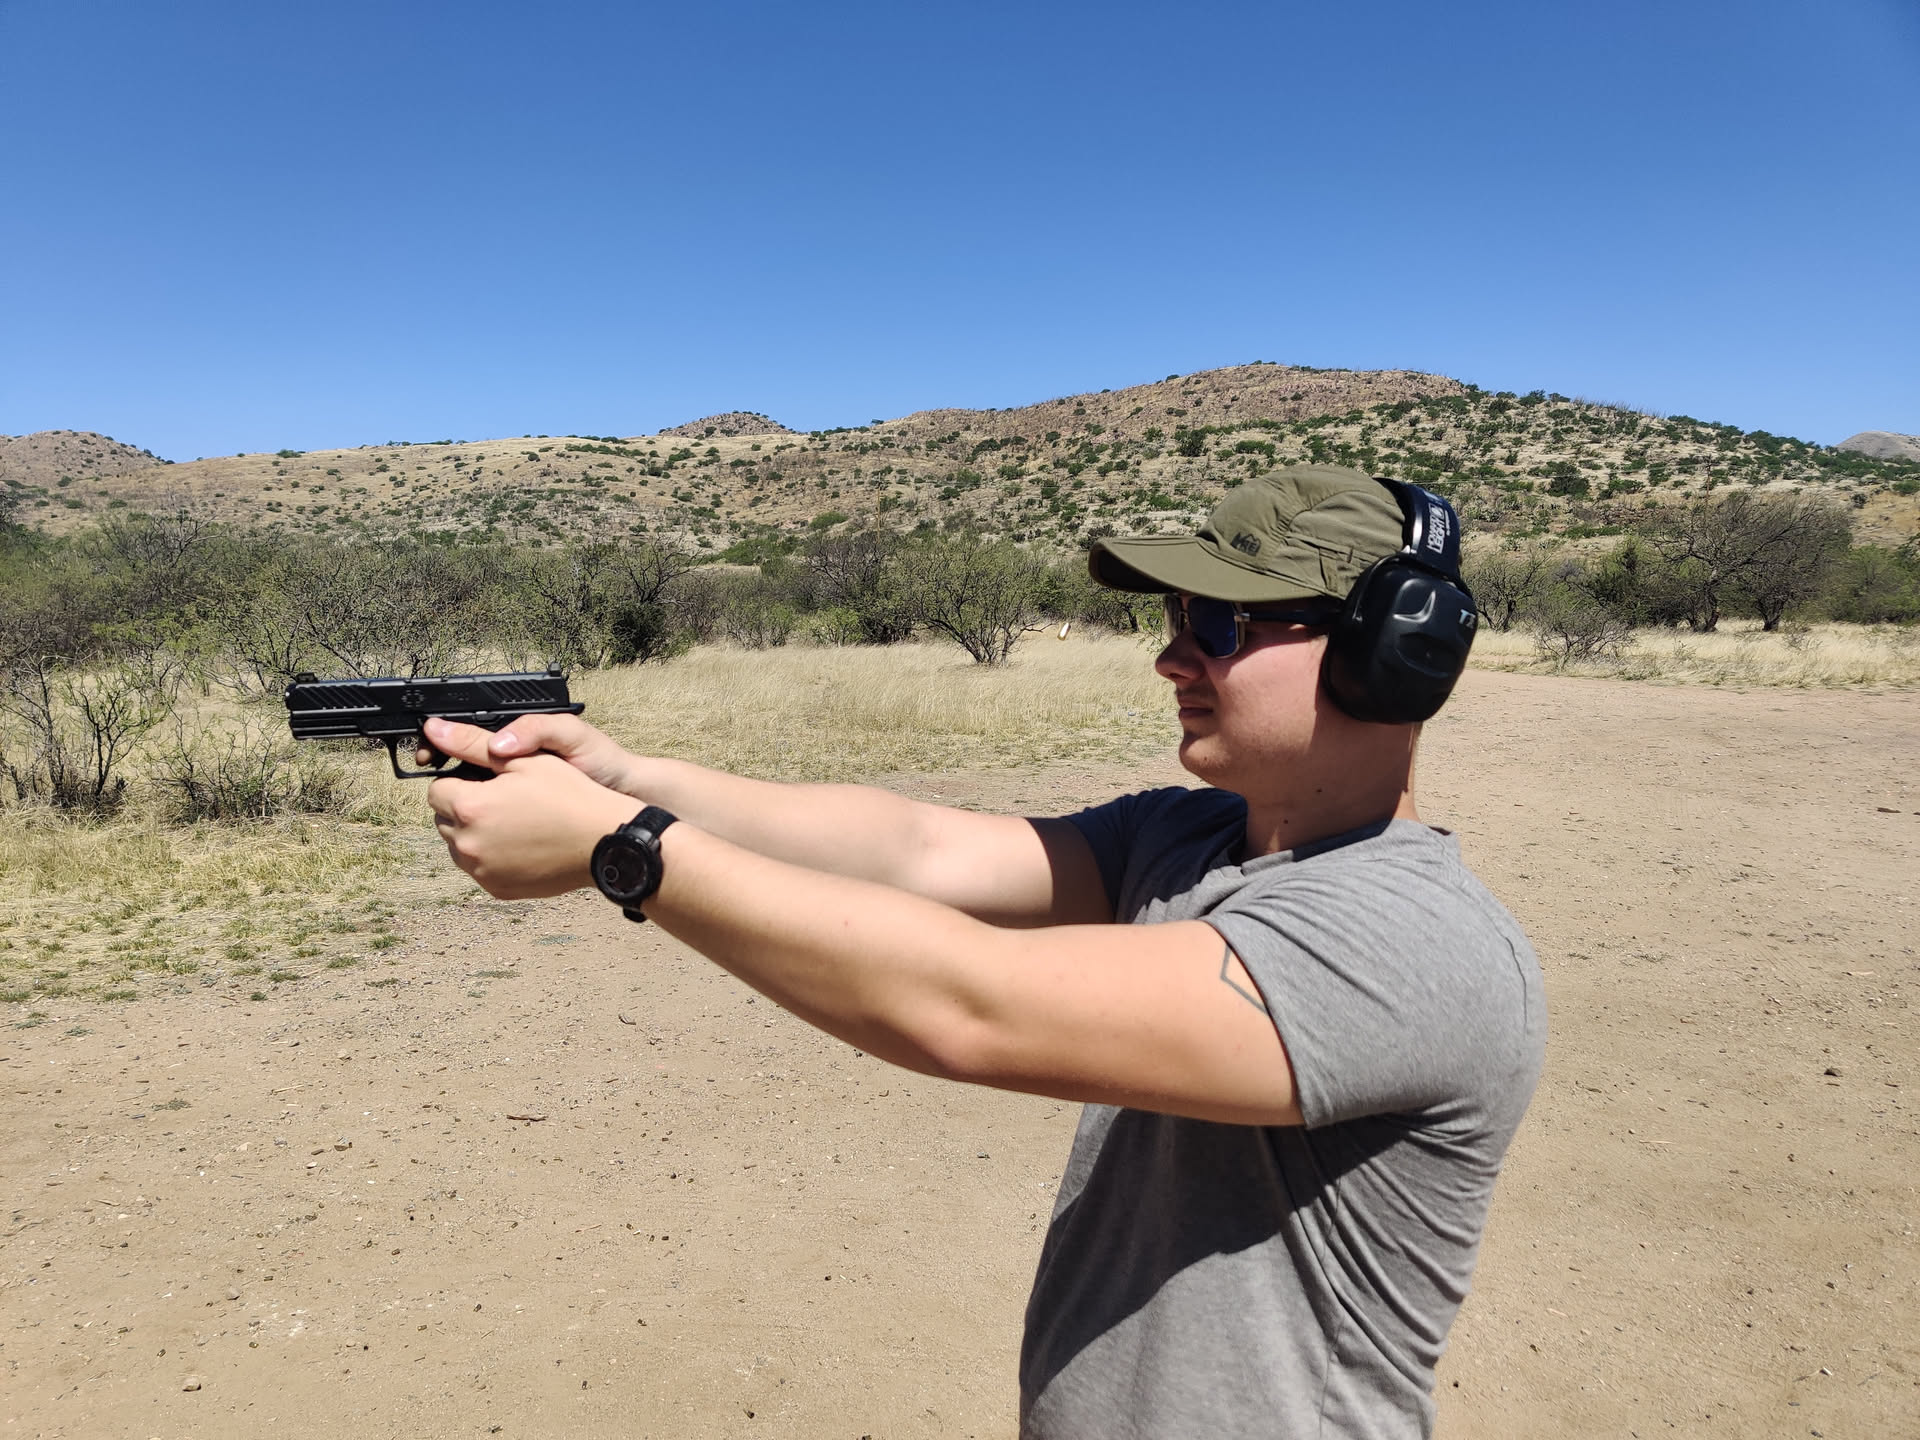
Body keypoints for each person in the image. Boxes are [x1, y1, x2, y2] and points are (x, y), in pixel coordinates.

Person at [423, 463, 1546, 1439]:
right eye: (1173, 619)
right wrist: (627, 779)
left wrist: (627, 851)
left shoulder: (1412, 941)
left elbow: (967, 1004)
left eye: (1219, 624)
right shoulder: (1186, 839)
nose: (1173, 659)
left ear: (1388, 651)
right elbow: (914, 848)